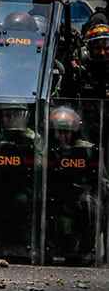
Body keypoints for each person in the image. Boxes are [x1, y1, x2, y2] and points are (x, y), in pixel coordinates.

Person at [0, 103, 41, 258]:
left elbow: (41, 166)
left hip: (24, 186)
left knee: (21, 203)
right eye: (7, 115)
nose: (12, 119)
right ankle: (2, 246)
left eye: (16, 115)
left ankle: (23, 247)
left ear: (25, 116)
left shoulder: (34, 139)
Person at [46, 105, 101, 264]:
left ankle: (86, 249)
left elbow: (100, 180)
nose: (62, 137)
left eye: (66, 132)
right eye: (59, 132)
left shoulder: (88, 150)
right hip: (55, 193)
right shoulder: (46, 149)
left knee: (88, 205)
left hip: (80, 193)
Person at [73, 24, 109, 99]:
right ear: (88, 49)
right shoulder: (80, 72)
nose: (102, 53)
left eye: (106, 48)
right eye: (97, 48)